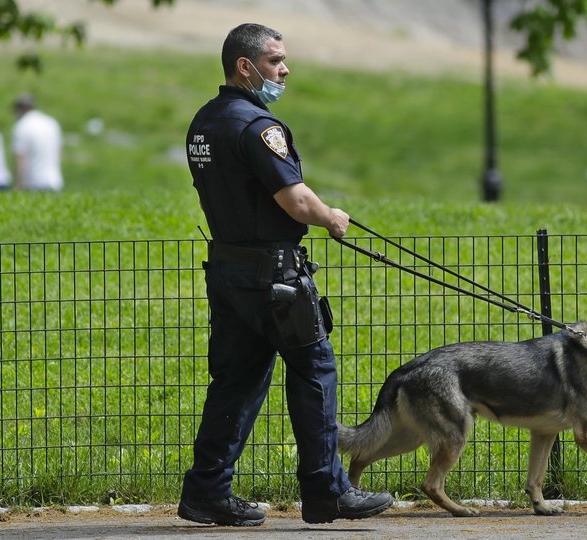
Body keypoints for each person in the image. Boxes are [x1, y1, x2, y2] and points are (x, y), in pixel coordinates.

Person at [179, 23, 393, 527]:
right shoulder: (258, 127)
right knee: (314, 372)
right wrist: (330, 217)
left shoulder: (204, 123)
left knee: (235, 381)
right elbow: (295, 201)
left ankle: (207, 491)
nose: (284, 69)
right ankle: (326, 492)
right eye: (274, 61)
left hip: (228, 271)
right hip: (274, 277)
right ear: (245, 67)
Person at [11, 94, 63, 191]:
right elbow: (58, 153)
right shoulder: (51, 123)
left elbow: (21, 159)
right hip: (54, 180)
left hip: (33, 182)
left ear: (21, 109)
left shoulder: (21, 126)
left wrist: (19, 184)